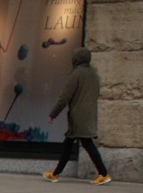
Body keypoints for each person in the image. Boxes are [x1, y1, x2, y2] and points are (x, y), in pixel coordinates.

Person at [44, 48, 111, 185]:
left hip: (78, 116)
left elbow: (64, 97)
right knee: (69, 144)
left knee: (86, 143)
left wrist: (53, 114)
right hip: (89, 114)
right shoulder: (94, 73)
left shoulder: (76, 74)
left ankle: (103, 173)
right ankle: (55, 173)